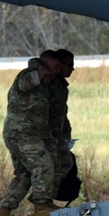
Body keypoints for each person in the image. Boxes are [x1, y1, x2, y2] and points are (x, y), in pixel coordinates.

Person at [0, 53, 56, 216]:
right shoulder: (27, 75)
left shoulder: (45, 83)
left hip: (22, 134)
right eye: (54, 67)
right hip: (21, 133)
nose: (55, 71)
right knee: (43, 165)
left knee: (25, 174)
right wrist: (41, 72)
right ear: (45, 64)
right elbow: (25, 82)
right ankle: (41, 208)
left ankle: (4, 212)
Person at [48, 49, 77, 199]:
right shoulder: (49, 83)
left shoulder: (61, 87)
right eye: (69, 65)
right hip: (47, 136)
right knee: (52, 167)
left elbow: (62, 115)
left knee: (66, 163)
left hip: (57, 137)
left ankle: (48, 199)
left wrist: (66, 136)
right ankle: (44, 201)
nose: (72, 69)